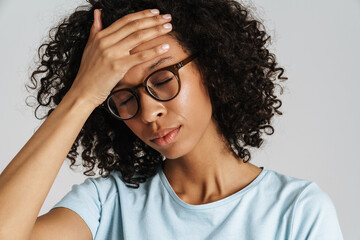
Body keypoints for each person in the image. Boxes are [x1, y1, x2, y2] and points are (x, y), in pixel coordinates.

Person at [0, 0, 343, 239]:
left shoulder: (296, 210)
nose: (149, 112)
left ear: (211, 66)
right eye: (122, 97)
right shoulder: (108, 204)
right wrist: (83, 94)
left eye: (162, 80)